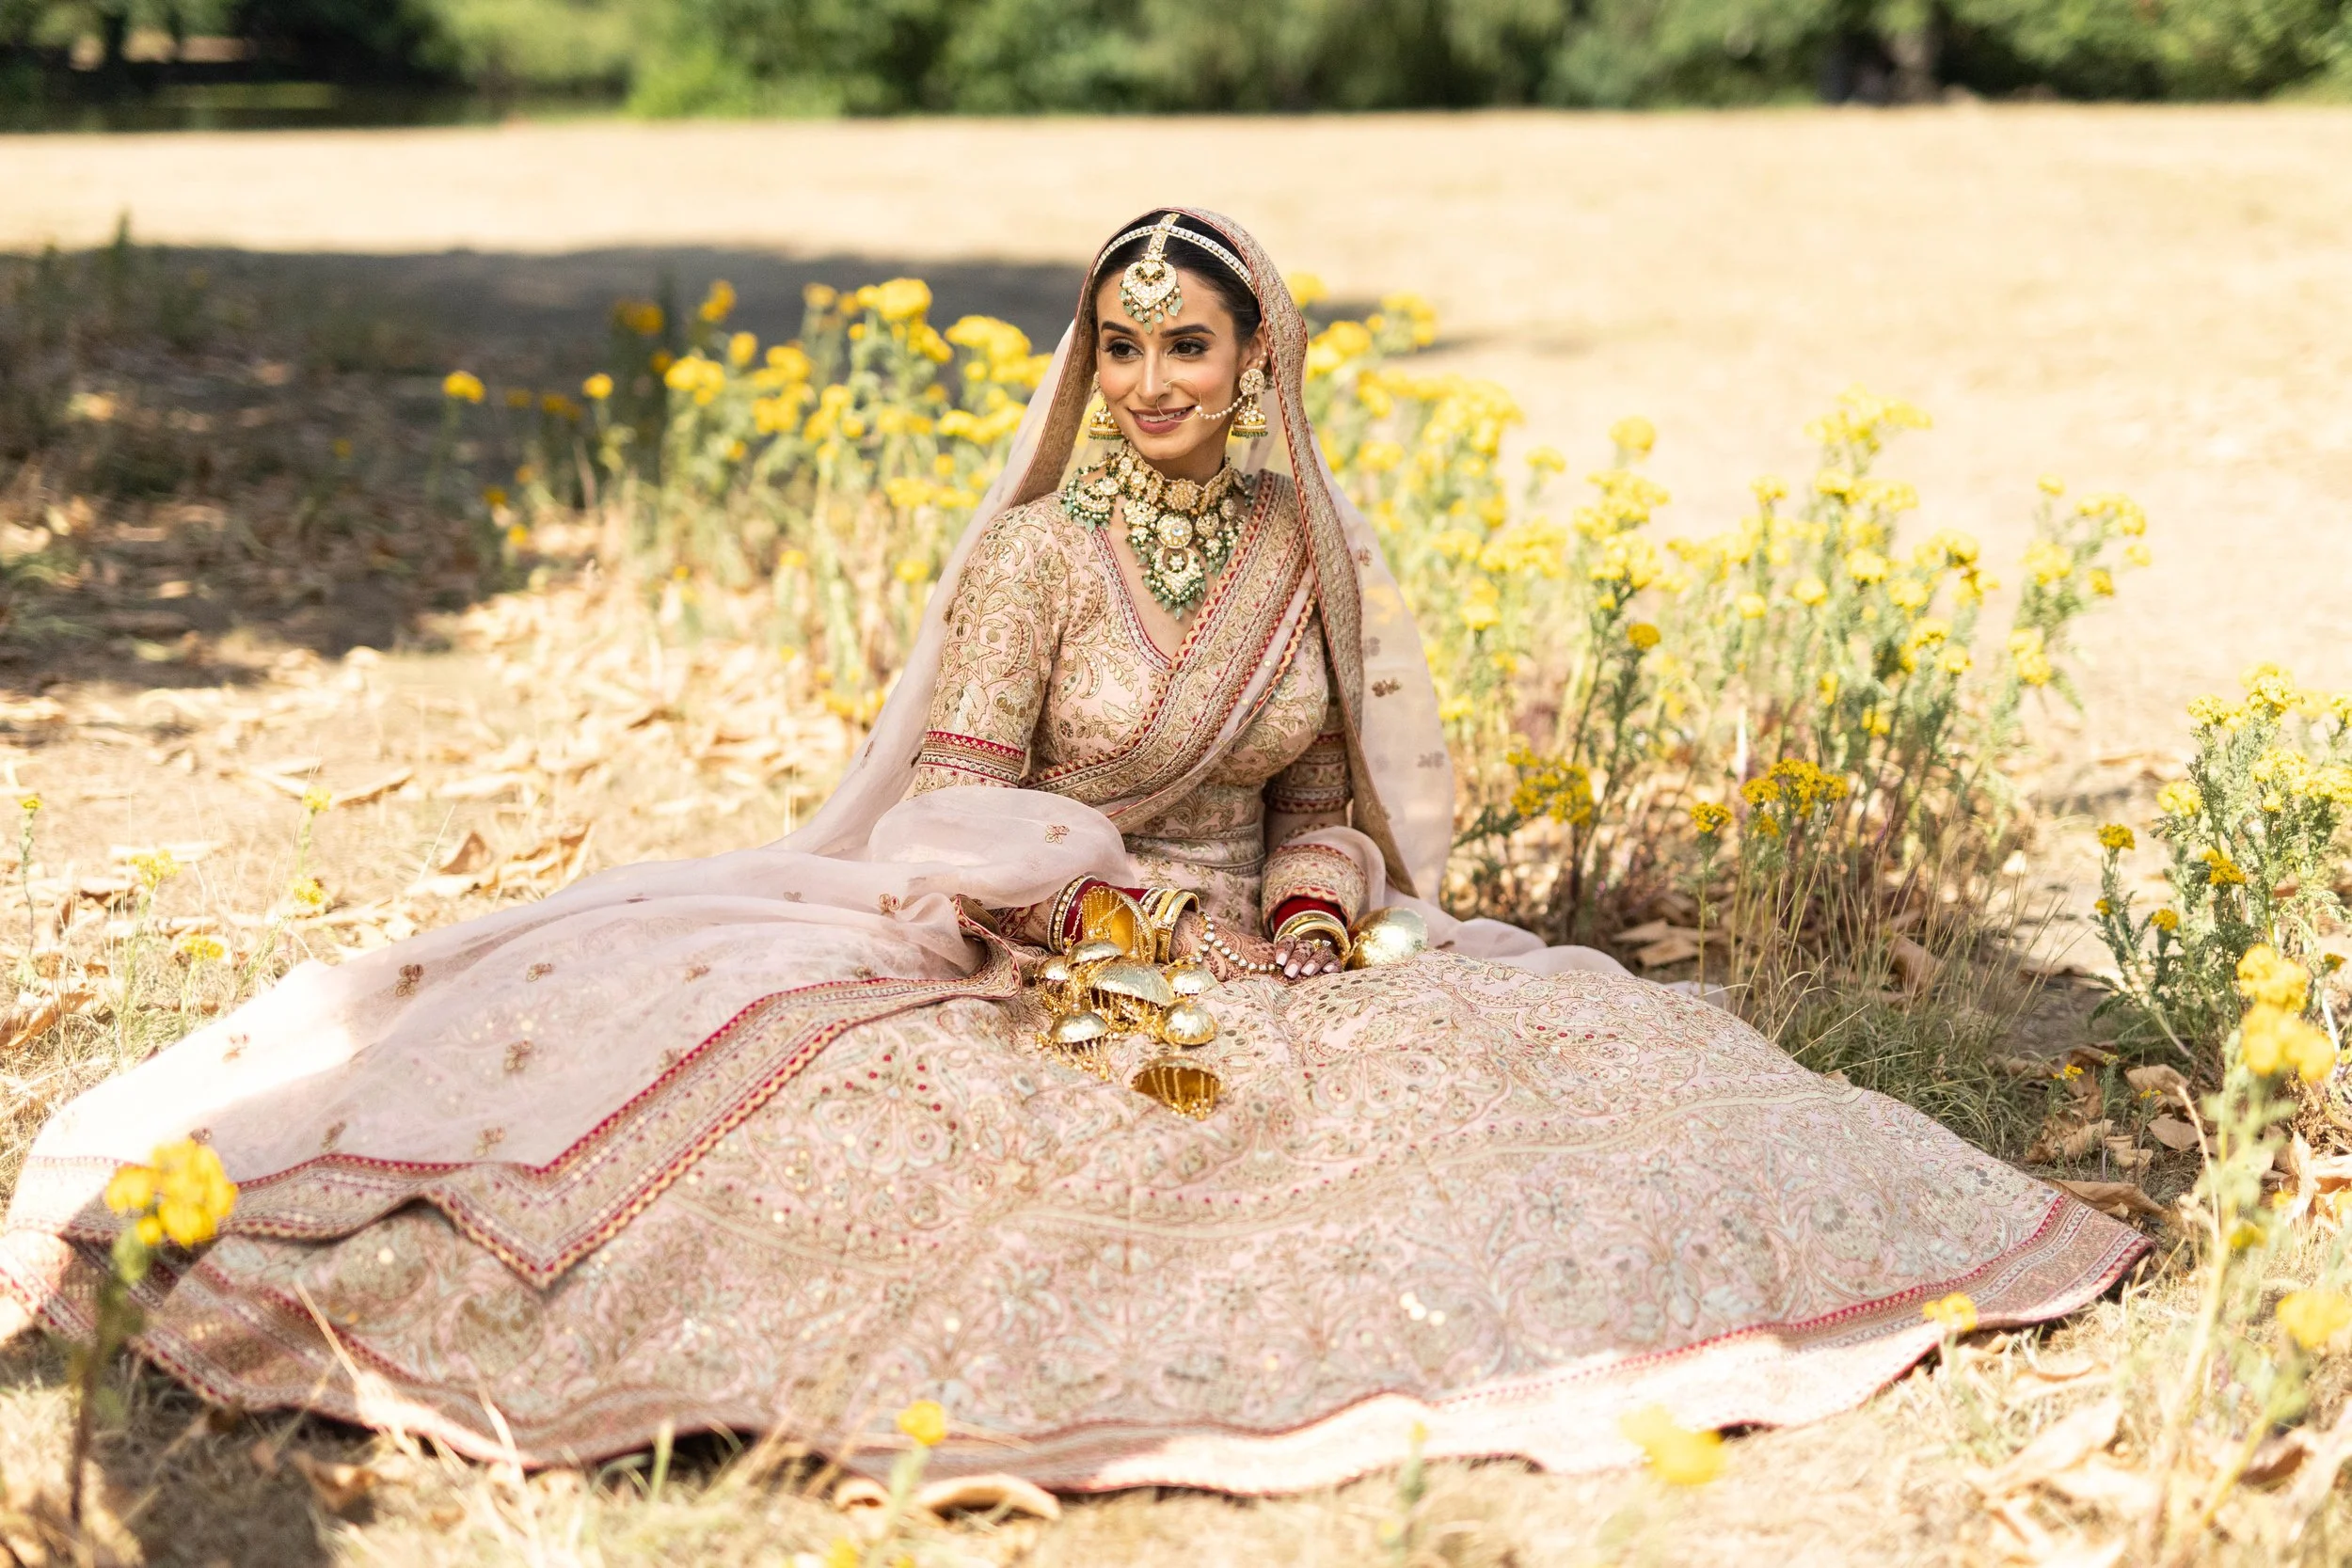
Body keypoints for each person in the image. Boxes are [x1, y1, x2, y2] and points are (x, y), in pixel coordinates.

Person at [0, 209, 2146, 1492]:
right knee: (879, 1153)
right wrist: (1090, 915)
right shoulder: (1035, 555)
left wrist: (1313, 900)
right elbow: (948, 797)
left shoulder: (1305, 538)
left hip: (1278, 938)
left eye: (1184, 345)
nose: (1143, 380)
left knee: (1617, 1085)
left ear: (1256, 357)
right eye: (1115, 346)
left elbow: (1324, 782)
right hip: (1036, 927)